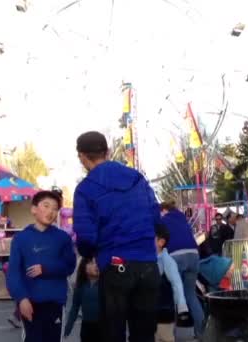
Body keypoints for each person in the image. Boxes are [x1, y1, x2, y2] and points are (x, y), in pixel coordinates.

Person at [73, 131, 160, 342]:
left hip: (115, 264)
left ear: (82, 156)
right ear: (108, 151)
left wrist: (90, 255)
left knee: (113, 332)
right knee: (145, 333)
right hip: (147, 264)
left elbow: (85, 236)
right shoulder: (137, 178)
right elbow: (155, 215)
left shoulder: (85, 189)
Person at [7, 190, 76, 342]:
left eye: (55, 208)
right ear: (34, 209)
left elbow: (69, 266)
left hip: (55, 302)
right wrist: (22, 299)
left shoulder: (62, 238)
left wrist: (47, 269)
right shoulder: (21, 239)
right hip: (30, 303)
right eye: (46, 206)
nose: (50, 211)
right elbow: (13, 273)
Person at [160, 201, 205, 339]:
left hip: (176, 256)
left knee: (174, 296)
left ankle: (171, 336)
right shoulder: (182, 218)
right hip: (193, 255)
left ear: (164, 210)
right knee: (191, 295)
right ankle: (202, 333)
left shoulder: (163, 220)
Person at [154, 225, 189, 342]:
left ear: (161, 242)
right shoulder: (148, 260)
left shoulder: (167, 261)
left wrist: (182, 307)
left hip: (164, 314)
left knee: (165, 338)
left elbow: (177, 284)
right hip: (149, 312)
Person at [65, 257, 101, 342]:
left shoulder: (105, 285)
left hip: (103, 327)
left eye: (98, 262)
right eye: (92, 263)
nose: (96, 265)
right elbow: (75, 308)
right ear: (84, 267)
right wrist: (68, 327)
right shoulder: (80, 287)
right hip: (86, 327)